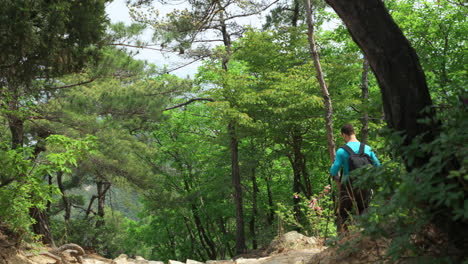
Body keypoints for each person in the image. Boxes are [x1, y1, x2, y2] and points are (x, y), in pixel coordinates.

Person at [330, 124, 381, 232]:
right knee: (364, 208)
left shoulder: (341, 151)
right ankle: (365, 233)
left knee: (344, 211)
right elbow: (378, 165)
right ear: (354, 132)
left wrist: (333, 167)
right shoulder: (367, 148)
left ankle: (345, 236)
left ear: (344, 135)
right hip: (365, 183)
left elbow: (334, 171)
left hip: (348, 184)